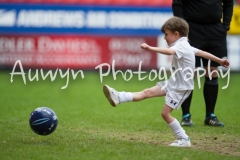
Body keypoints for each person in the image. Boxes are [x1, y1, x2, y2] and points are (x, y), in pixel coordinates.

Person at [102, 17, 230, 147]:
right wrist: (219, 61)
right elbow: (201, 53)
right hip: (173, 83)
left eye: (166, 34)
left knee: (165, 114)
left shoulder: (180, 46)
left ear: (176, 34)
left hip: (181, 87)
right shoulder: (186, 45)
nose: (164, 38)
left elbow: (169, 52)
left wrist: (149, 48)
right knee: (147, 92)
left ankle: (184, 139)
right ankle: (119, 96)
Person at [172, 0, 233, 127]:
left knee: (212, 72)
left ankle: (210, 115)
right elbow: (178, 3)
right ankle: (186, 115)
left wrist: (225, 25)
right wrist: (182, 29)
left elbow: (228, 2)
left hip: (215, 30)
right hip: (191, 29)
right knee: (189, 72)